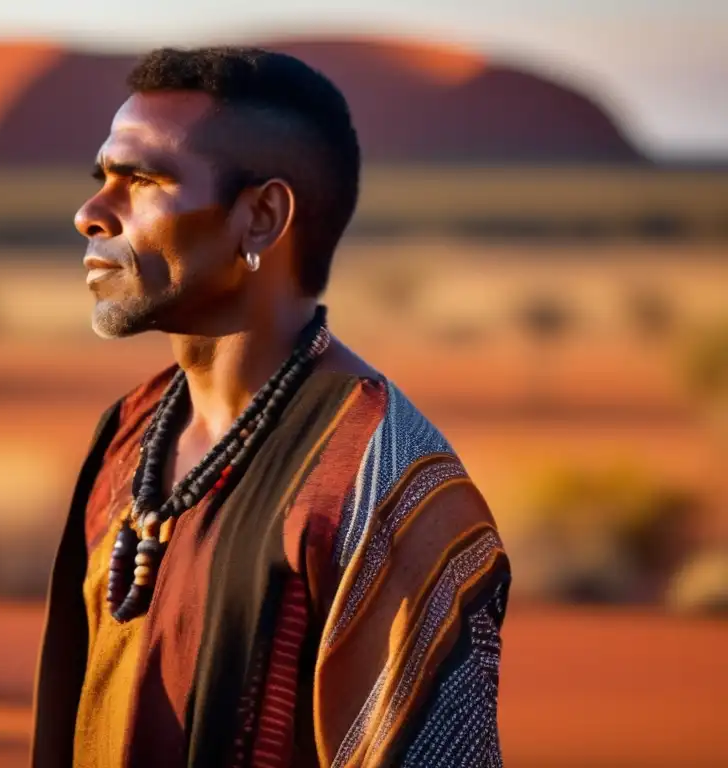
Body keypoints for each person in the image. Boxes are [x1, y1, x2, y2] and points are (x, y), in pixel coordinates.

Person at [30, 46, 511, 768]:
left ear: (260, 218)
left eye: (142, 180)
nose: (91, 214)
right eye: (102, 178)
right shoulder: (129, 434)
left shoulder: (387, 485)